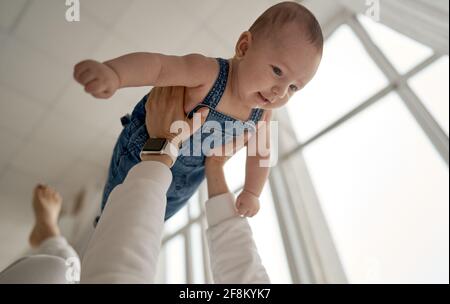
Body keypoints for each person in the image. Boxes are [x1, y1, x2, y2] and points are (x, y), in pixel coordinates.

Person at [73, 2, 323, 223]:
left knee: (153, 219)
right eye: (278, 71)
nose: (280, 91)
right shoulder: (209, 73)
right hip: (141, 154)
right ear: (244, 47)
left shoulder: (262, 117)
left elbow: (260, 156)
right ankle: (105, 223)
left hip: (185, 183)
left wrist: (252, 192)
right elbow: (159, 67)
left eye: (293, 87)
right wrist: (116, 74)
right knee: (118, 210)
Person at [0, 86, 269, 284]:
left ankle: (48, 232)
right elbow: (246, 276)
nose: (281, 92)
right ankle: (48, 232)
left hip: (164, 161)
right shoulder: (243, 96)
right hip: (190, 168)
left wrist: (160, 150)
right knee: (64, 267)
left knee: (54, 271)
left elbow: (116, 277)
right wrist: (238, 182)